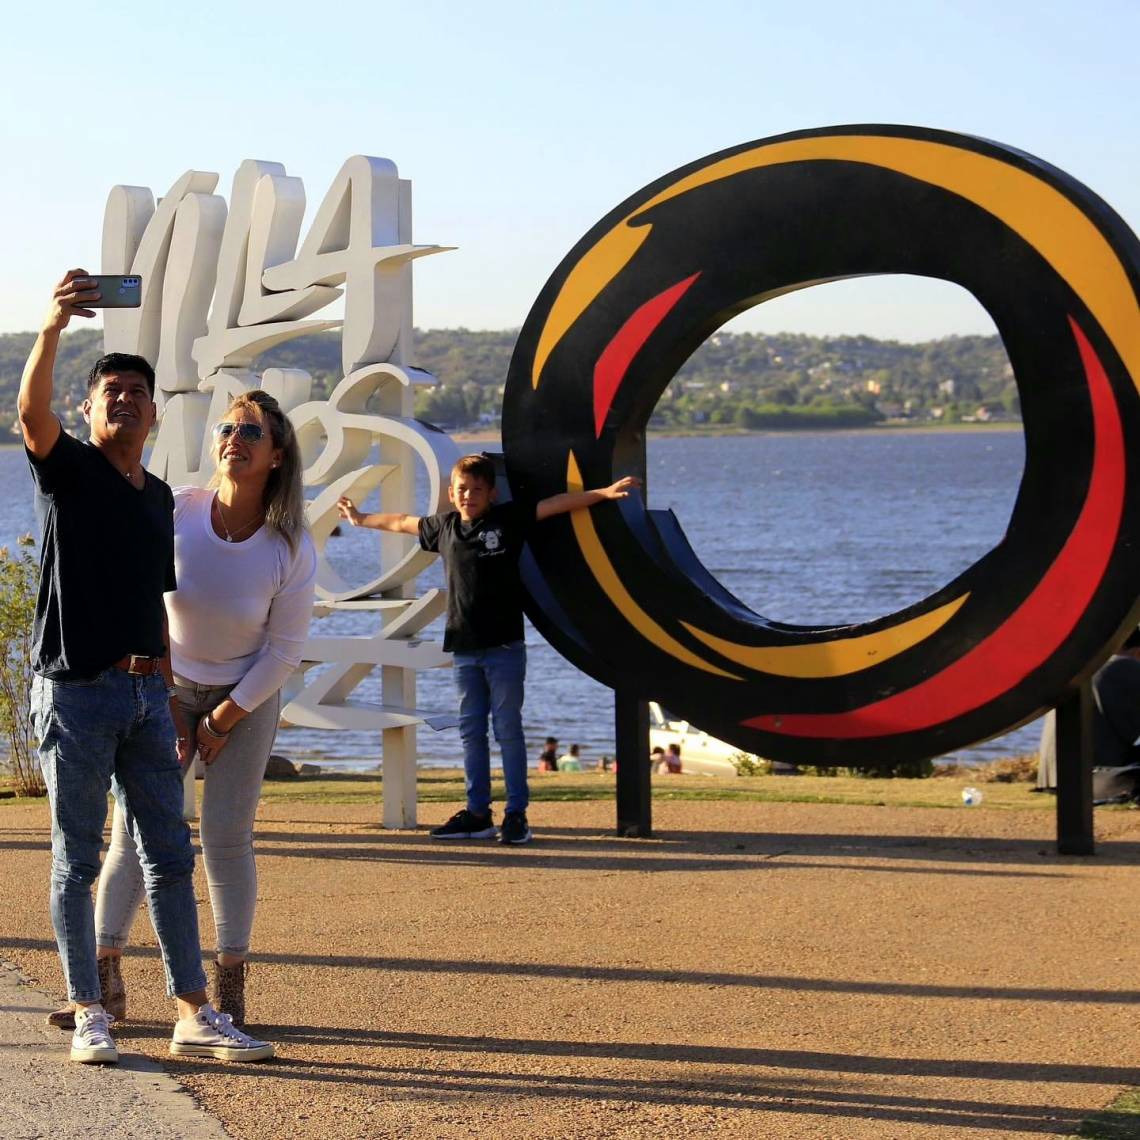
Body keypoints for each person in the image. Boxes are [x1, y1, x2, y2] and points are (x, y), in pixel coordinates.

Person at [20, 269, 273, 1065]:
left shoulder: (159, 496)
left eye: (136, 392)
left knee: (170, 854)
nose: (124, 400)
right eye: (110, 392)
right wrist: (54, 327)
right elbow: (30, 412)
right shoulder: (70, 470)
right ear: (90, 411)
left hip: (140, 693)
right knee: (77, 856)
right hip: (74, 691)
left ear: (156, 412)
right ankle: (88, 1008)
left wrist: (166, 693)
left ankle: (194, 1011)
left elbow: (154, 603)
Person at [68, 390, 314, 1031]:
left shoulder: (290, 546)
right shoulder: (178, 512)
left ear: (277, 456)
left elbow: (284, 651)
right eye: (228, 428)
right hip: (162, 692)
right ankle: (102, 985)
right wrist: (174, 706)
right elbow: (143, 603)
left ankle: (229, 990)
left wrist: (220, 720)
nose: (235, 437)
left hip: (249, 697)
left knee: (227, 840)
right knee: (131, 836)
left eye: (252, 432)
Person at [337, 453, 639, 844]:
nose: (468, 496)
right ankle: (478, 814)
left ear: (491, 494)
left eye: (477, 490)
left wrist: (602, 493)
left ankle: (517, 814)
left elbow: (554, 505)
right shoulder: (443, 527)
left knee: (508, 730)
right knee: (471, 732)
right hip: (464, 649)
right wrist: (361, 519)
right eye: (462, 489)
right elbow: (399, 521)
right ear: (451, 492)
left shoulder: (507, 520)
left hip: (505, 648)